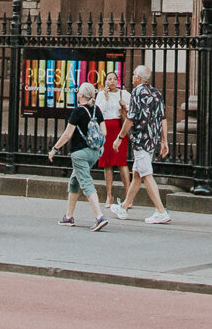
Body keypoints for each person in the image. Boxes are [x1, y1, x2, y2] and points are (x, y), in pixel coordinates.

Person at [45, 79, 108, 229]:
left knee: (86, 183)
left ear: (81, 95)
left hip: (80, 153)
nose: (77, 92)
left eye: (79, 90)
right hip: (94, 152)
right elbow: (104, 132)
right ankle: (69, 216)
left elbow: (67, 135)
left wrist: (54, 149)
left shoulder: (77, 111)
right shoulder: (96, 110)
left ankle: (99, 216)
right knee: (74, 181)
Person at [122, 62, 172, 223]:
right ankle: (124, 206)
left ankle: (161, 210)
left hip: (140, 140)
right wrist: (164, 141)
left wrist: (119, 137)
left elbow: (131, 117)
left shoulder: (137, 92)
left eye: (134, 74)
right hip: (152, 140)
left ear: (138, 78)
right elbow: (163, 118)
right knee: (137, 174)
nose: (132, 77)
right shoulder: (157, 94)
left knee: (146, 174)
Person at [94, 65, 129, 215]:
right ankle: (109, 195)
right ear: (105, 81)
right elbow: (97, 111)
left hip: (119, 127)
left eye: (114, 79)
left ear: (118, 80)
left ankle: (128, 195)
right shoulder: (101, 95)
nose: (112, 81)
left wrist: (124, 106)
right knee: (107, 162)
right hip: (106, 127)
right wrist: (106, 98)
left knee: (121, 162)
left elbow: (130, 111)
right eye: (109, 79)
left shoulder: (124, 93)